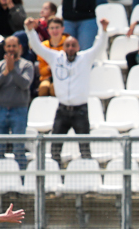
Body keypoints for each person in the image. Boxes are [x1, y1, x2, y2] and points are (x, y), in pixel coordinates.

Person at [26, 16, 109, 164]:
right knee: (55, 149)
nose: (70, 48)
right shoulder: (55, 57)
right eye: (68, 45)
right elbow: (38, 47)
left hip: (80, 111)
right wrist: (30, 30)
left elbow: (99, 47)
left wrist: (103, 31)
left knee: (85, 148)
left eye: (73, 45)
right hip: (62, 110)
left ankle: (88, 178)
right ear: (64, 47)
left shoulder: (86, 58)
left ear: (78, 47)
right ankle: (54, 178)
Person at [0, 34, 35, 169]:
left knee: (18, 149)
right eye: (8, 46)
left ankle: (21, 180)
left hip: (19, 111)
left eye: (14, 46)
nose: (11, 49)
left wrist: (13, 70)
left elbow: (25, 84)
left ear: (19, 47)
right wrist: (5, 72)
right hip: (1, 110)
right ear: (4, 48)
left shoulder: (27, 65)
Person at [37, 17, 68, 94]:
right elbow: (42, 71)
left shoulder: (69, 43)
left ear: (62, 29)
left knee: (54, 88)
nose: (54, 31)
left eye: (57, 27)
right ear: (48, 30)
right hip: (48, 76)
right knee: (43, 88)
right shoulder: (43, 45)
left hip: (65, 76)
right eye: (52, 28)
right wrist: (49, 68)